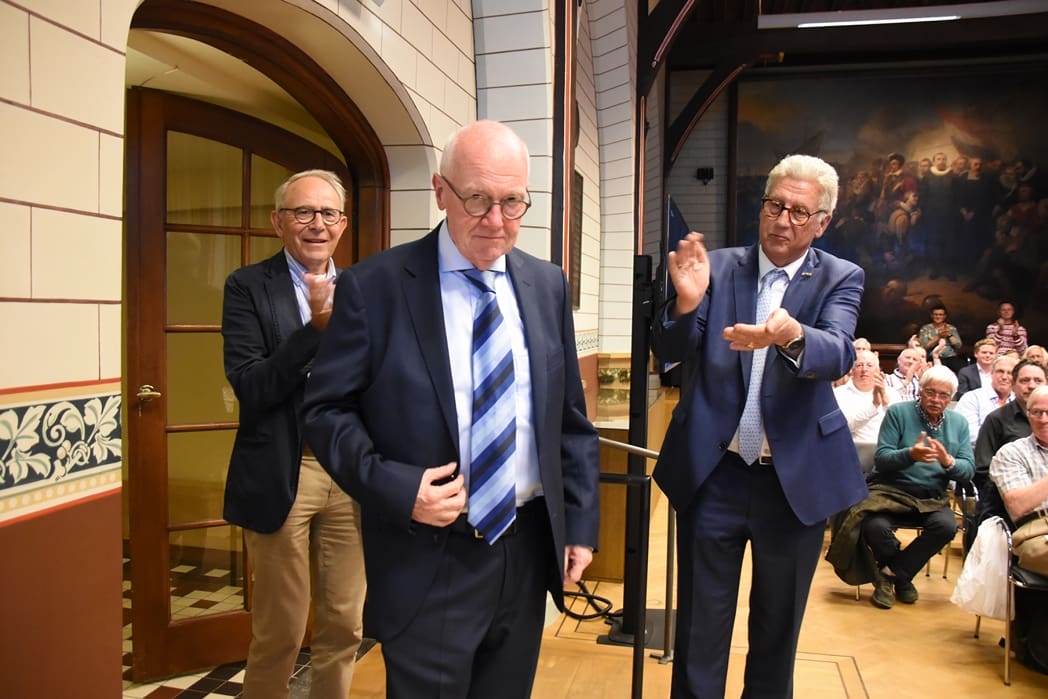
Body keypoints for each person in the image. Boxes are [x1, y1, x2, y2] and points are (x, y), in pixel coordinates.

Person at [301, 120, 600, 698]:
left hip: (525, 546)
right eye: (477, 199)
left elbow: (569, 421)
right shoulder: (376, 287)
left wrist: (579, 527)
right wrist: (397, 487)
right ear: (441, 192)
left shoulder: (546, 285)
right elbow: (327, 411)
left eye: (512, 202)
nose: (496, 221)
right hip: (428, 556)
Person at [652, 154, 867, 697]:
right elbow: (669, 351)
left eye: (800, 212)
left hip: (793, 484)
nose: (783, 220)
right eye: (775, 205)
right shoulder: (718, 267)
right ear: (762, 206)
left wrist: (791, 334)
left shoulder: (841, 277)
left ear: (822, 222)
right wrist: (686, 304)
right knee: (699, 631)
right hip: (714, 475)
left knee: (776, 635)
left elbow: (838, 352)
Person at [221, 170, 365, 698]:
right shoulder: (246, 287)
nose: (316, 224)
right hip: (283, 472)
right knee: (280, 630)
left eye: (328, 213)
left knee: (345, 625)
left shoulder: (364, 289)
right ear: (278, 222)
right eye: (303, 212)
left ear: (342, 224)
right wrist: (316, 329)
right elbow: (252, 386)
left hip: (349, 474)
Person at [863, 366, 974, 609]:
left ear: (951, 398)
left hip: (932, 496)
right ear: (920, 391)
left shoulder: (958, 423)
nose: (936, 400)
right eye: (930, 392)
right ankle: (902, 579)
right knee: (875, 526)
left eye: (944, 395)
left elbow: (968, 470)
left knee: (947, 527)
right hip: (891, 490)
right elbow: (882, 458)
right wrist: (910, 454)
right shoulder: (898, 412)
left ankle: (891, 575)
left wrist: (948, 462)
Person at [834, 349, 892, 473]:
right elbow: (844, 426)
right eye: (859, 365)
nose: (864, 369)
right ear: (852, 370)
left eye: (869, 365)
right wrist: (874, 406)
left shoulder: (892, 393)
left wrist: (885, 401)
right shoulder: (839, 394)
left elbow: (900, 426)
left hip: (887, 455)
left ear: (878, 370)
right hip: (852, 456)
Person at [955, 353, 1018, 450]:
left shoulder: (1018, 402)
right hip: (978, 454)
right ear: (991, 373)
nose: (1004, 377)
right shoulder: (972, 398)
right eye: (1000, 371)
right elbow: (970, 435)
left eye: (1010, 373)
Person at [917, 302, 965, 373]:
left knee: (963, 370)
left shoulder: (951, 328)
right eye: (935, 314)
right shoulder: (925, 329)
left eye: (940, 315)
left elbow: (959, 345)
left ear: (944, 316)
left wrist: (949, 335)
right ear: (931, 315)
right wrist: (938, 337)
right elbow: (924, 346)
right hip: (933, 358)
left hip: (951, 358)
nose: (938, 317)